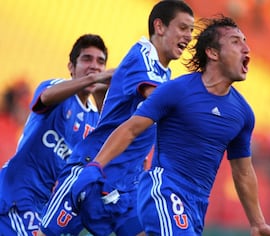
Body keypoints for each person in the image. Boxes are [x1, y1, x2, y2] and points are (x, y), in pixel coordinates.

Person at [75, 16, 270, 236]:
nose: (246, 48)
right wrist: (96, 166)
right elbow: (130, 129)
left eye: (245, 41)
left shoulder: (243, 113)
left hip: (196, 205)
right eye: (236, 42)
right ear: (213, 53)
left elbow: (243, 171)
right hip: (164, 188)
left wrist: (258, 223)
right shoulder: (177, 90)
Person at [38, 1, 194, 236]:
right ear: (159, 26)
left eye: (191, 30)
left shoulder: (164, 72)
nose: (189, 36)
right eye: (183, 28)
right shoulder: (142, 55)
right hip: (91, 172)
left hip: (125, 186)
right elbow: (157, 100)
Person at [0, 34, 113, 235]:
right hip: (16, 193)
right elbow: (45, 98)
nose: (94, 66)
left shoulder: (94, 120)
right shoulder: (54, 88)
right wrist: (92, 78)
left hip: (42, 208)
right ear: (71, 66)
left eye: (100, 62)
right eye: (87, 59)